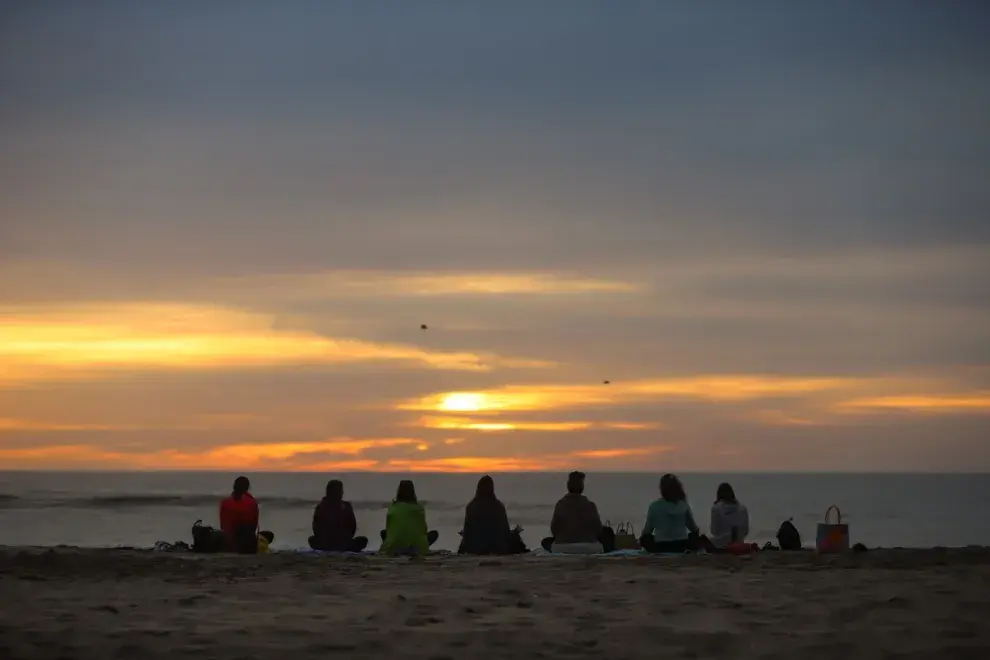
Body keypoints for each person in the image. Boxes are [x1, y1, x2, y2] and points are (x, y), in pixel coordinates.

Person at [541, 471, 613, 554]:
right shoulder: (590, 505)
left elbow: (554, 529)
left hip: (563, 547)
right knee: (607, 534)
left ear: (568, 485)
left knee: (545, 542)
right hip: (588, 547)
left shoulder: (560, 504)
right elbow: (597, 529)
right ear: (582, 487)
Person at [458, 475, 524, 555]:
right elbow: (505, 532)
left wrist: (462, 550)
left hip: (475, 549)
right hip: (497, 548)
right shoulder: (498, 507)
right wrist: (515, 534)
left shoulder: (471, 506)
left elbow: (467, 534)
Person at [640, 474, 705, 553]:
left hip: (661, 545)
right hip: (681, 544)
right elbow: (694, 529)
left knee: (645, 538)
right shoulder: (683, 505)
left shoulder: (654, 506)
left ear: (661, 488)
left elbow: (647, 531)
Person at [379, 480, 439, 556]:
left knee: (384, 532)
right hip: (416, 547)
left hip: (394, 546)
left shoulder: (392, 508)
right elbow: (423, 529)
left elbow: (389, 528)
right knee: (433, 534)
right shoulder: (419, 508)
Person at [309, 480, 369, 552]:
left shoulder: (344, 506)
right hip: (331, 542)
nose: (342, 493)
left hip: (338, 542)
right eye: (340, 491)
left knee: (363, 540)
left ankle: (340, 545)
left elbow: (352, 526)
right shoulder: (323, 506)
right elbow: (316, 528)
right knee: (312, 540)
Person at [219, 476, 274, 554]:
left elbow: (222, 524)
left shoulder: (225, 502)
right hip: (246, 545)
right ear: (247, 488)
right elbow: (255, 523)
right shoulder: (252, 502)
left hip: (228, 542)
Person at [710, 482, 750, 550]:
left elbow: (714, 531)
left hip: (721, 545)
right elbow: (746, 531)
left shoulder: (716, 508)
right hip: (739, 543)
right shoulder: (743, 508)